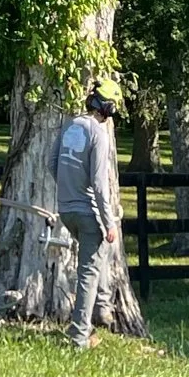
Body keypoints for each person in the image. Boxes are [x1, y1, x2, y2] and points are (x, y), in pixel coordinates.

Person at [56, 85, 120, 349]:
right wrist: (110, 222)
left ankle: (98, 314)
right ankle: (79, 337)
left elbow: (52, 164)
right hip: (88, 213)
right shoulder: (99, 133)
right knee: (88, 275)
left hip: (66, 210)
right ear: (108, 108)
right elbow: (99, 183)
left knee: (93, 264)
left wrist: (68, 191)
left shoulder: (69, 126)